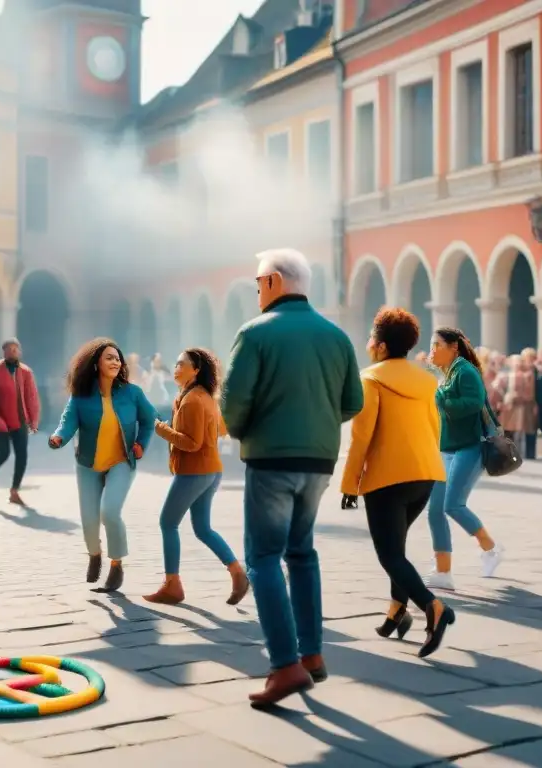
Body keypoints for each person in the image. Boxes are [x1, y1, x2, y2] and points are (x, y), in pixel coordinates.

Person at [220, 248, 363, 708]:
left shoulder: (255, 333)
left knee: (262, 557)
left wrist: (245, 430)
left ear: (276, 283)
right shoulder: (337, 336)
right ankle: (313, 653)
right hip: (319, 460)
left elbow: (234, 404)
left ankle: (285, 665)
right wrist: (319, 424)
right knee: (302, 553)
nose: (257, 291)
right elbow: (352, 402)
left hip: (271, 458)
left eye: (258, 283)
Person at [340, 308, 454, 658]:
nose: (368, 343)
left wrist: (349, 484)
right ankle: (396, 610)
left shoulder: (370, 378)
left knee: (388, 553)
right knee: (397, 547)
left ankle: (432, 607)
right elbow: (436, 427)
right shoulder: (426, 379)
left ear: (382, 345)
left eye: (372, 337)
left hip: (388, 477)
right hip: (426, 474)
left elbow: (362, 436)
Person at [49, 338, 156, 593]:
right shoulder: (80, 396)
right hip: (88, 464)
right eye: (109, 357)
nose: (116, 361)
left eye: (118, 358)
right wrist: (58, 437)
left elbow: (149, 421)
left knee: (109, 512)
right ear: (95, 363)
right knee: (89, 521)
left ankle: (116, 565)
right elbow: (67, 422)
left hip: (122, 461)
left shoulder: (133, 393)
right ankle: (94, 554)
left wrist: (141, 444)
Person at [144, 347, 249, 606]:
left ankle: (172, 585)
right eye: (176, 364)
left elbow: (191, 443)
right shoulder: (201, 396)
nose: (176, 368)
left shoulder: (192, 400)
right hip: (211, 471)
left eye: (182, 364)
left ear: (196, 370)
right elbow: (221, 429)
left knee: (168, 523)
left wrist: (159, 427)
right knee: (202, 528)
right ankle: (237, 573)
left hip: (194, 472)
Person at [426, 327, 504, 591]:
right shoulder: (447, 373)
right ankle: (443, 572)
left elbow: (472, 403)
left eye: (437, 345)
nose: (432, 350)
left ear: (454, 348)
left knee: (453, 505)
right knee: (435, 509)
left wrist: (440, 396)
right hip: (446, 448)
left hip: (470, 448)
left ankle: (491, 548)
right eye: (431, 345)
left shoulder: (465, 371)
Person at [0, 339, 40, 506]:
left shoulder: (26, 372)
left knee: (22, 455)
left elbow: (32, 397)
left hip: (20, 421)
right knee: (3, 453)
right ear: (4, 352)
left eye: (15, 349)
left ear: (19, 351)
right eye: (9, 349)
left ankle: (14, 491)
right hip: (1, 421)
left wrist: (33, 420)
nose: (13, 352)